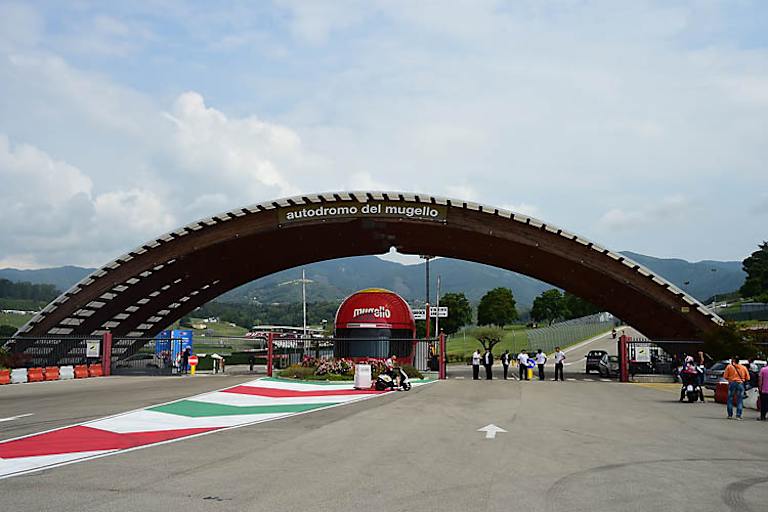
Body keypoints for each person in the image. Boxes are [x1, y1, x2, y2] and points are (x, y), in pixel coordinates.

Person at [723, 356, 750, 420]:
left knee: (730, 399)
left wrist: (730, 378)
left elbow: (725, 376)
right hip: (740, 383)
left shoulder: (729, 367)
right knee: (739, 400)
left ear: (734, 360)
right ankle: (738, 415)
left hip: (732, 383)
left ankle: (730, 415)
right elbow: (748, 378)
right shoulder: (743, 367)